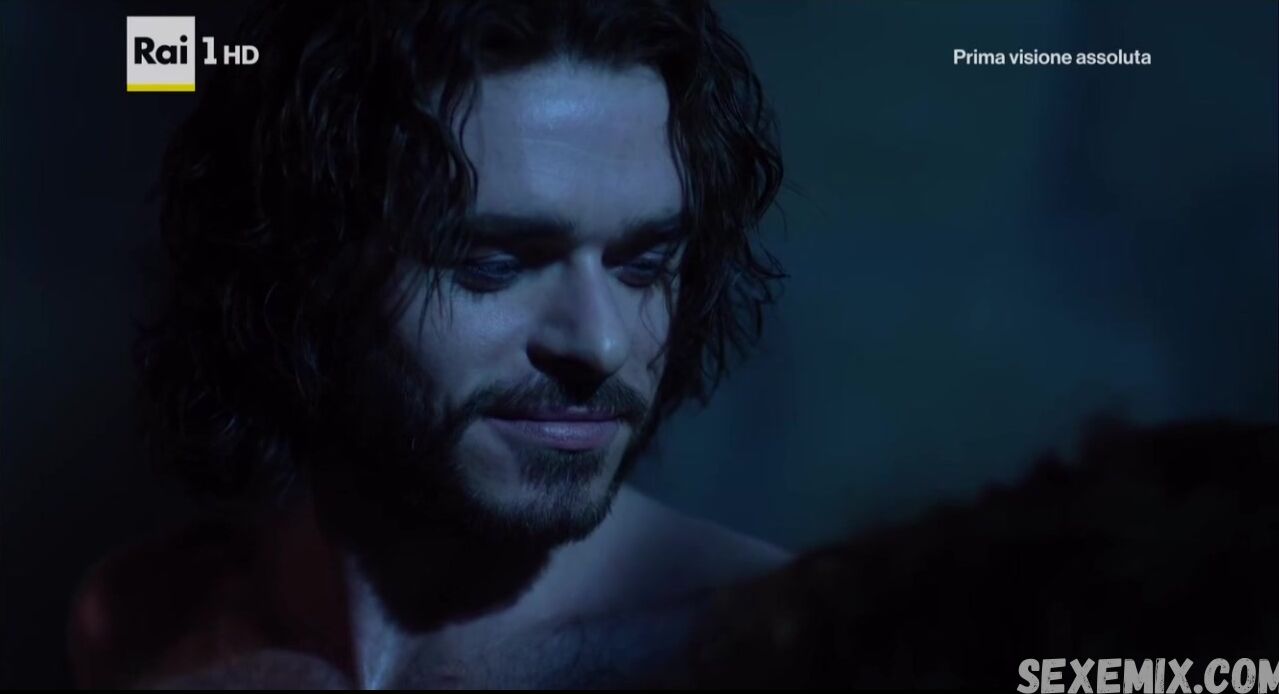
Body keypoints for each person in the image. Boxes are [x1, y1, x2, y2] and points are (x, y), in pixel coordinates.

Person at [68, 0, 790, 687]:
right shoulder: (140, 620)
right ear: (310, 265)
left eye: (645, 265)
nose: (601, 342)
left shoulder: (773, 649)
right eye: (493, 265)